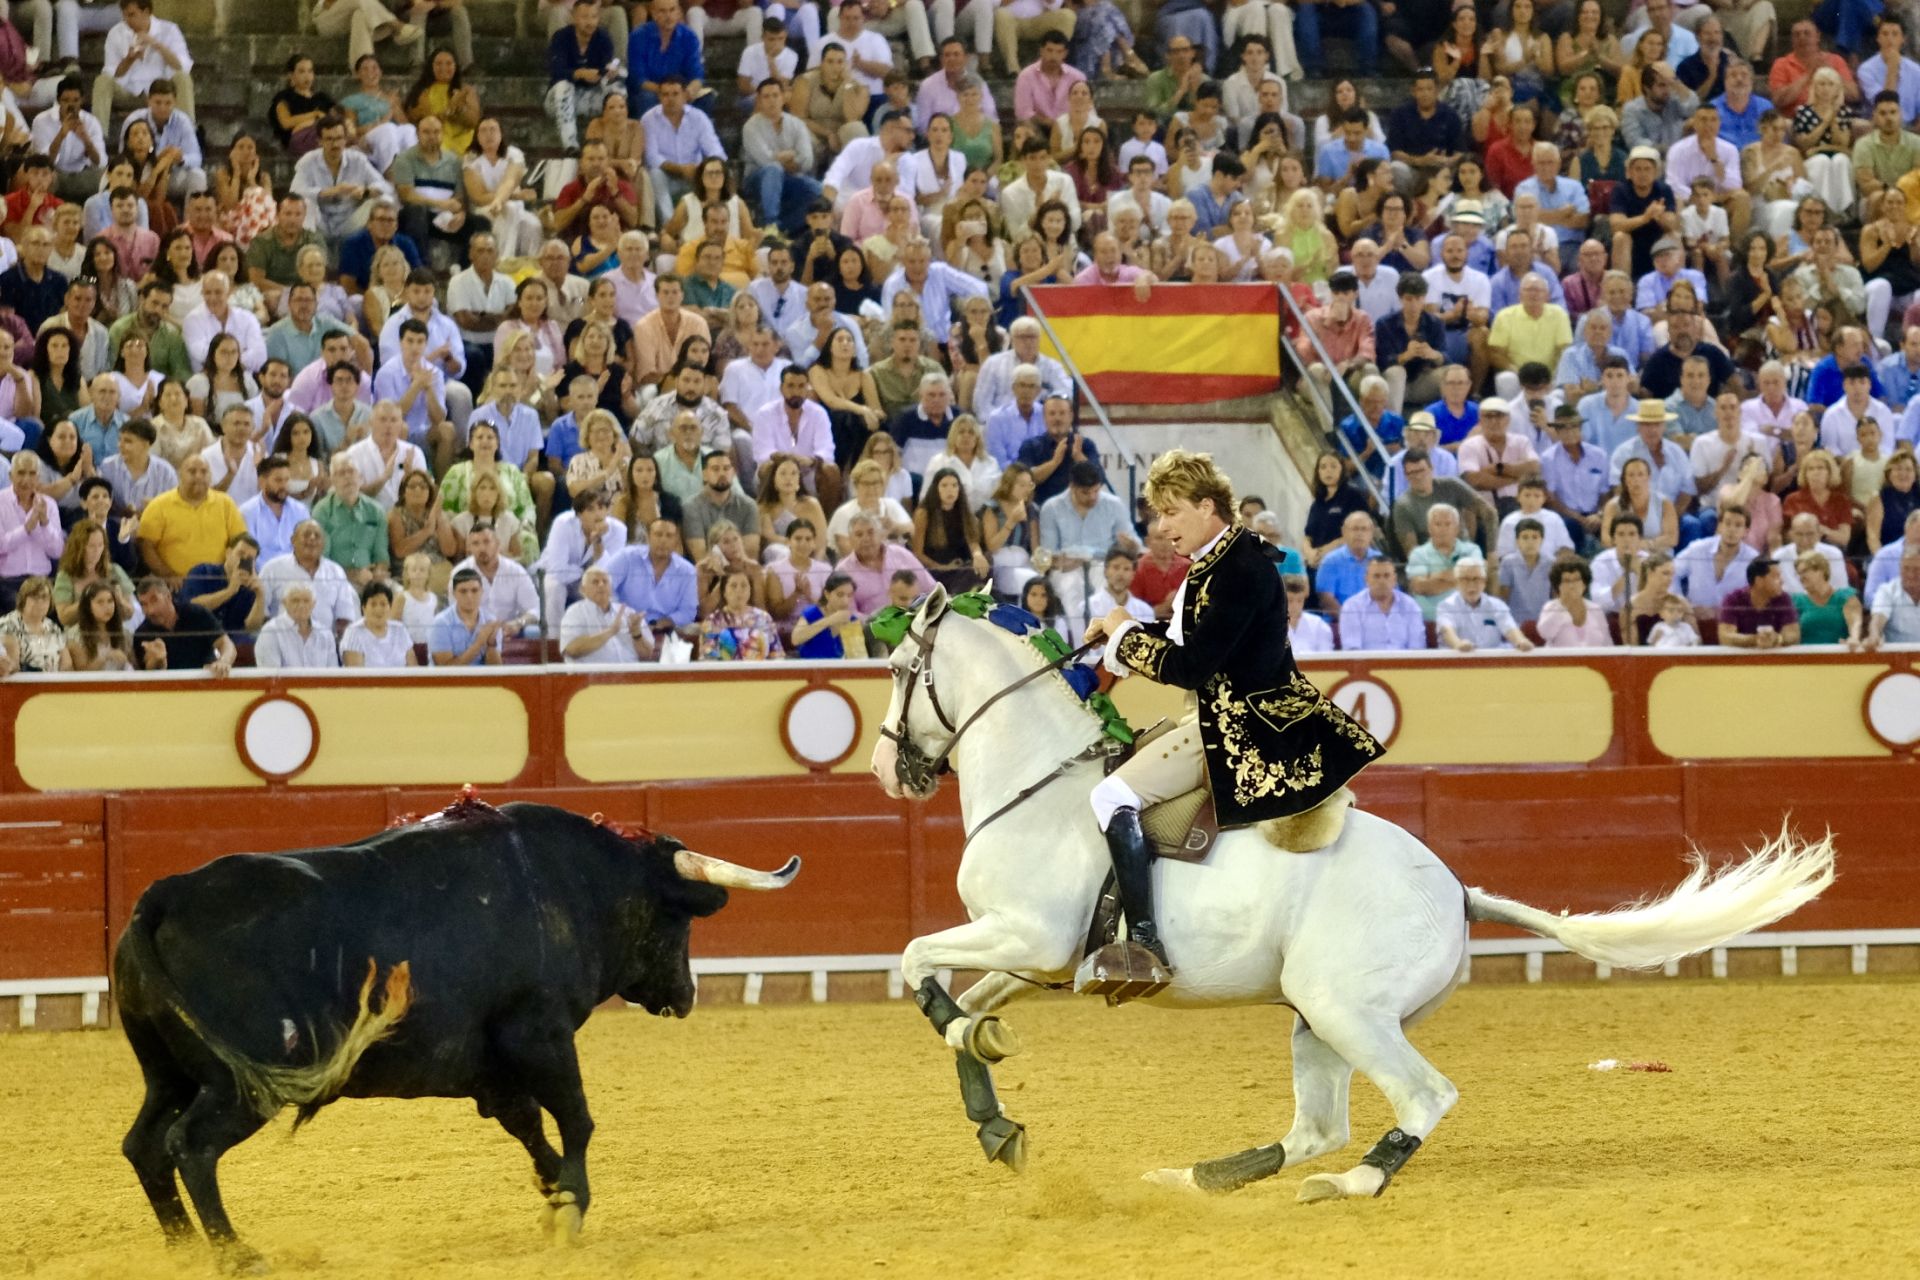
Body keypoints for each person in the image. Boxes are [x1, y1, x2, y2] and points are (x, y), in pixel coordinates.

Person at [1071, 449, 1378, 988]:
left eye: (1171, 512)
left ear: (1207, 506)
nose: (1162, 527)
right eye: (1158, 515)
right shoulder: (1224, 561)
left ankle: (1143, 941)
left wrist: (1125, 632)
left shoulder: (1236, 569)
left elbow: (1192, 667)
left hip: (1240, 729)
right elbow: (1181, 641)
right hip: (1233, 714)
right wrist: (1121, 637)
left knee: (1108, 796)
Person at [1435, 559, 1534, 651]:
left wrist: (1520, 641)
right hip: (1456, 663)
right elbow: (1447, 631)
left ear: (1484, 582)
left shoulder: (1497, 605)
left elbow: (1510, 628)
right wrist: (1458, 644)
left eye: (1476, 579)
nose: (1471, 584)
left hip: (1492, 663)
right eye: (1465, 579)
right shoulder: (1446, 606)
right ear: (1456, 582)